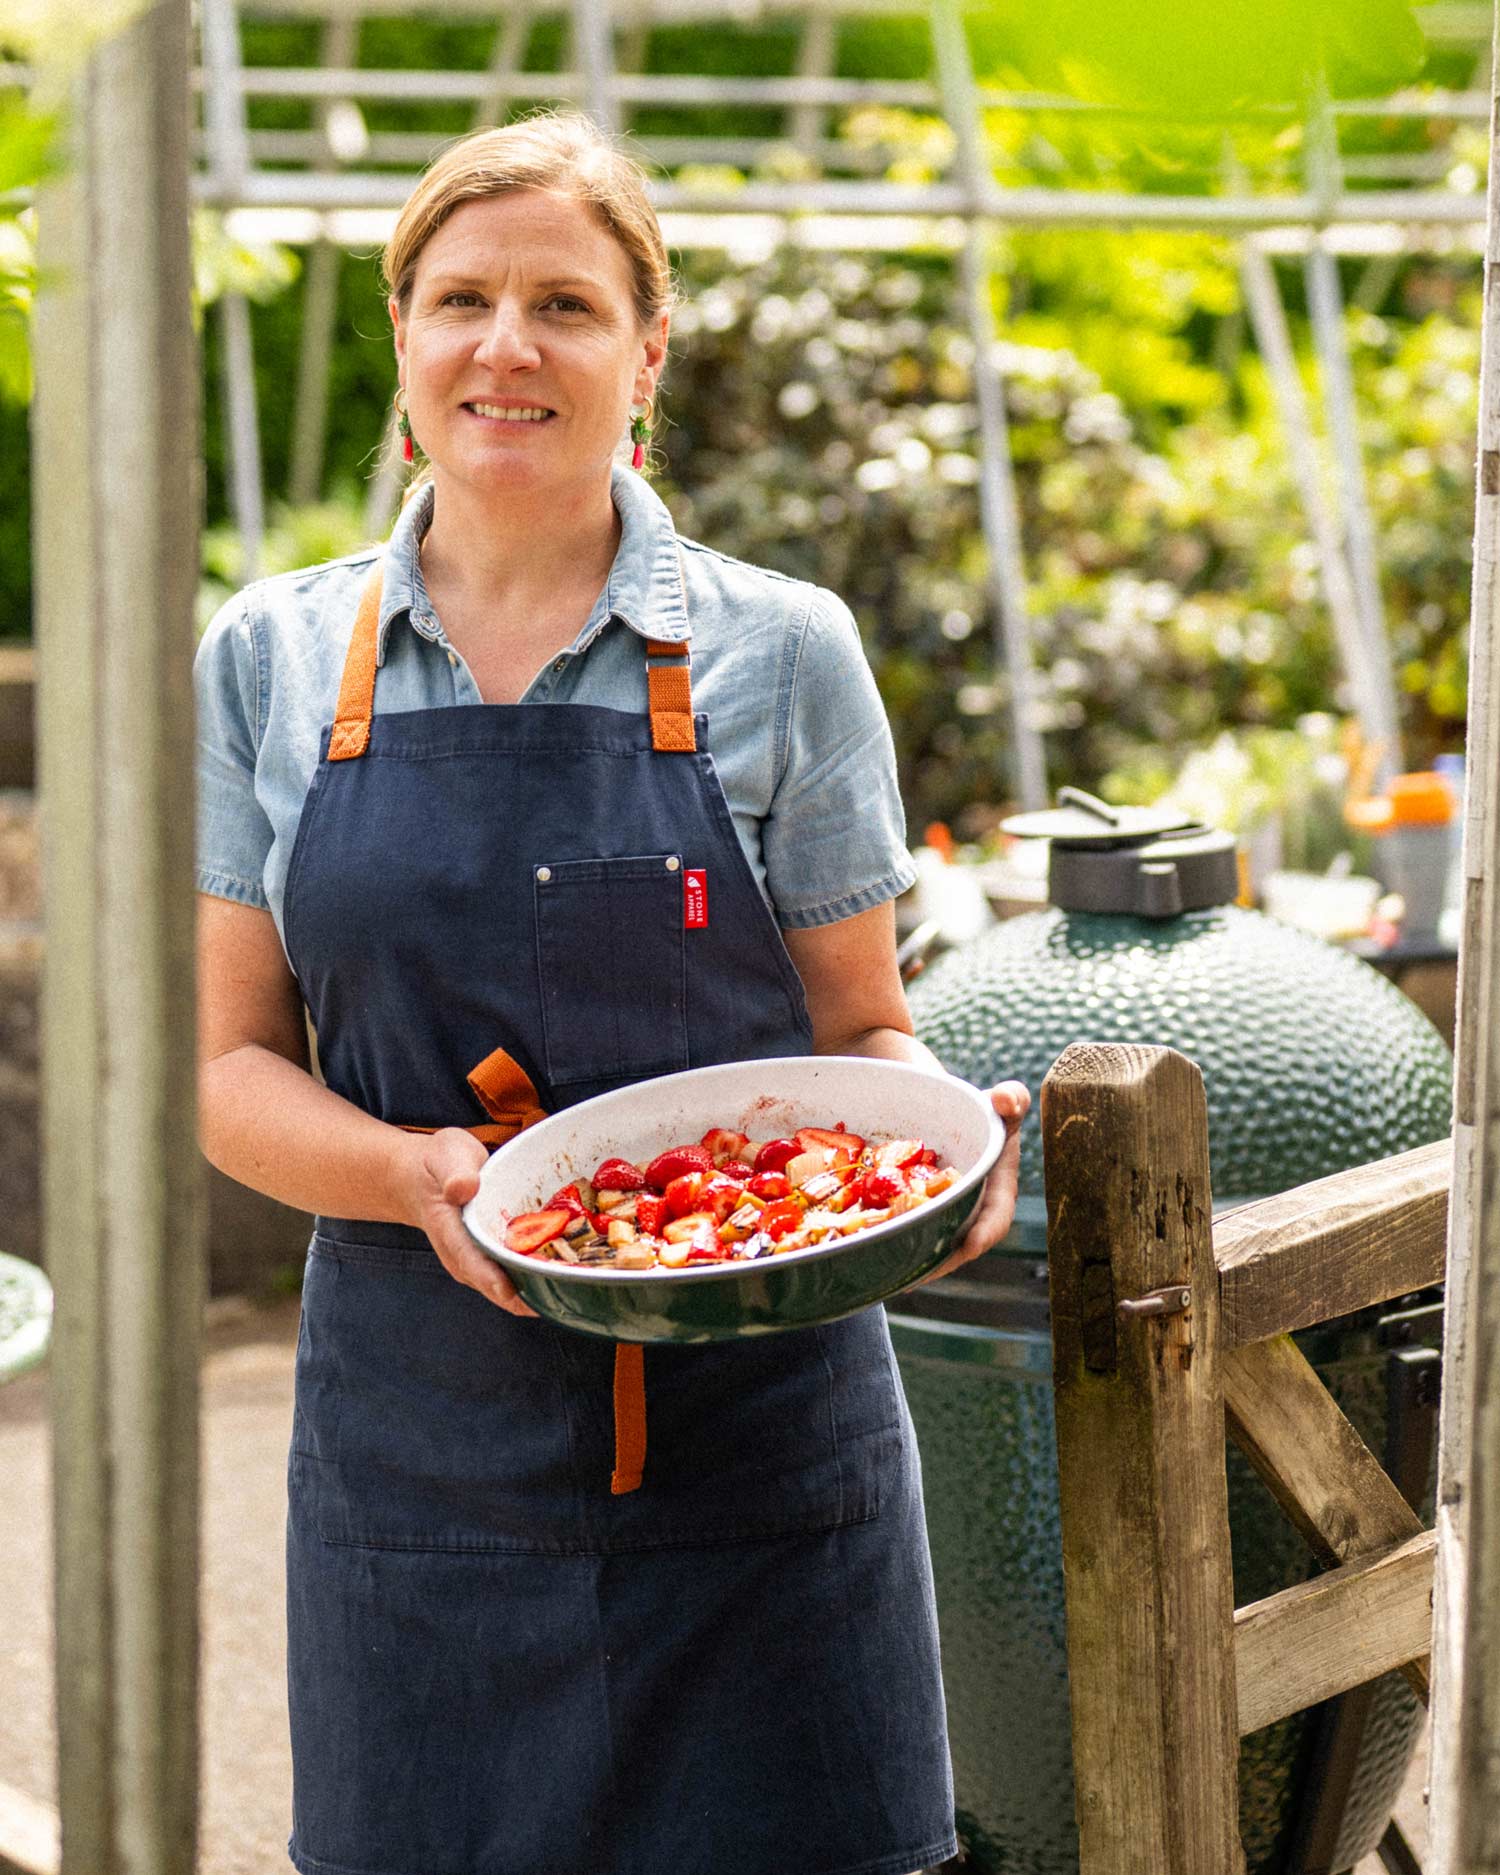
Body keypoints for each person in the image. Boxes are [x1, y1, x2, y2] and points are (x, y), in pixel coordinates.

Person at [195, 110, 1029, 1875]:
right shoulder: (268, 657)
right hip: (416, 1460)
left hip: (763, 1458)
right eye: (462, 300)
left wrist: (932, 1147)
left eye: (565, 305)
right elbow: (226, 1067)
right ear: (404, 337)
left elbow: (861, 1030)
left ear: (646, 353)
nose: (507, 345)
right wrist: (415, 1174)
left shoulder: (781, 650)